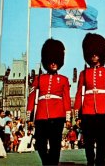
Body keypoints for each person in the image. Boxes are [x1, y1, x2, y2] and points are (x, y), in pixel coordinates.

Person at [27, 38, 72, 166]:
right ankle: (47, 163)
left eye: (55, 60)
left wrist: (68, 118)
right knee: (40, 143)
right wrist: (30, 117)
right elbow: (31, 97)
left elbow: (66, 99)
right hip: (41, 115)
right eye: (51, 60)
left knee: (55, 144)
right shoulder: (38, 79)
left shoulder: (63, 79)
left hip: (58, 115)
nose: (53, 63)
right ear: (46, 61)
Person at [74, 33, 105, 166]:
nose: (94, 55)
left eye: (96, 53)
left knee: (101, 141)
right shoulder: (83, 73)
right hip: (87, 112)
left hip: (102, 111)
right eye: (91, 53)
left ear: (100, 54)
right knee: (88, 141)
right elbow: (79, 93)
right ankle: (90, 160)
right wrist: (77, 113)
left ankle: (99, 162)